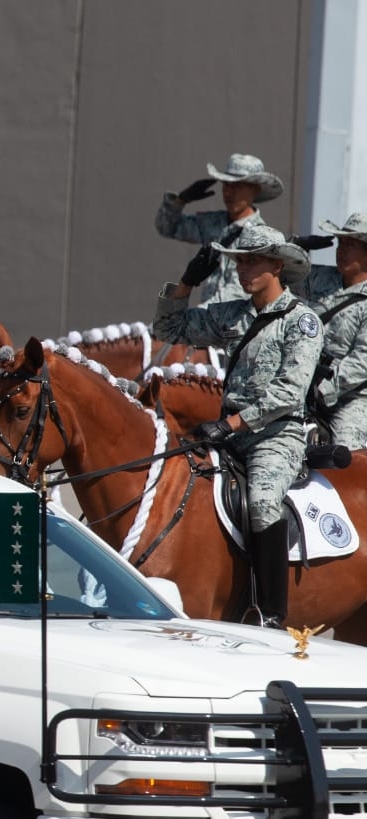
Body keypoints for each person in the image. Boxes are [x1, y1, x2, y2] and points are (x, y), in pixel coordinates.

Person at [153, 223, 321, 627]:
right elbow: (167, 330)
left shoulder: (301, 322)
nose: (243, 270)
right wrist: (185, 283)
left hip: (275, 436)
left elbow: (289, 393)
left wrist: (232, 424)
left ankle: (272, 614)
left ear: (277, 265)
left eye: (253, 262)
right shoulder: (232, 313)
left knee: (263, 502)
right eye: (239, 262)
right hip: (228, 431)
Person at [156, 153, 283, 306]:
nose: (229, 192)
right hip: (207, 318)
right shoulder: (213, 223)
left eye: (237, 186)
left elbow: (238, 290)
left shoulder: (260, 235)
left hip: (233, 322)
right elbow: (168, 227)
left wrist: (197, 316)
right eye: (226, 185)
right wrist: (180, 201)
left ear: (255, 189)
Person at [310, 213, 367, 448]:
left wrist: (322, 388)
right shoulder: (320, 278)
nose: (341, 250)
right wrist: (295, 246)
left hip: (350, 398)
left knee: (347, 453)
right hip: (302, 382)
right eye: (340, 243)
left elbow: (363, 361)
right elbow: (276, 276)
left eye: (351, 245)